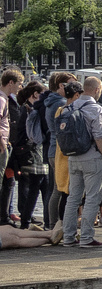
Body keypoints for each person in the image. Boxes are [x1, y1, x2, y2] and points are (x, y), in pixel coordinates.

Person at [61, 75, 102, 248]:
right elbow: (98, 135)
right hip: (91, 157)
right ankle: (87, 238)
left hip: (73, 156)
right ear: (96, 89)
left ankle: (68, 236)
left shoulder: (69, 106)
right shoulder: (95, 108)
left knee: (73, 198)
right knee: (92, 198)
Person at [35, 71, 73, 229]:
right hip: (58, 150)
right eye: (70, 85)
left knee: (55, 187)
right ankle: (54, 224)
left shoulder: (50, 101)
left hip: (51, 149)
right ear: (61, 86)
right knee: (59, 188)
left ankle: (51, 223)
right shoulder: (60, 104)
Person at [10, 82, 48, 227]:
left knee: (40, 185)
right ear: (35, 94)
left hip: (26, 151)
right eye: (42, 94)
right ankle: (33, 220)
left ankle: (33, 219)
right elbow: (32, 134)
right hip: (31, 152)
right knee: (37, 185)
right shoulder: (29, 110)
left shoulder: (25, 109)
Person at [0, 68, 20, 222]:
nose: (20, 87)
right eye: (19, 83)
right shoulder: (1, 99)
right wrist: (2, 142)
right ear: (11, 82)